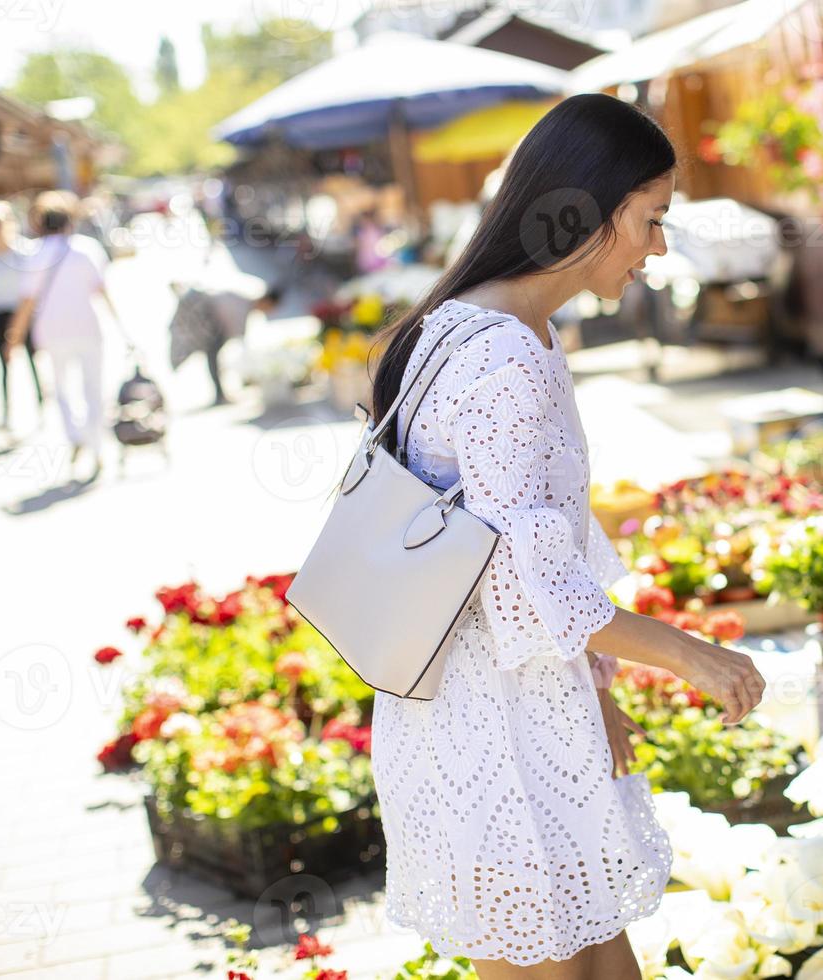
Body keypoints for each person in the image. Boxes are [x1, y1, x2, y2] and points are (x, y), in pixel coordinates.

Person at [365, 94, 767, 979]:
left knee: (594, 960)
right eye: (652, 220)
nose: (659, 249)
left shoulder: (474, 324)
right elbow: (526, 583)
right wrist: (697, 657)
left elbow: (503, 550)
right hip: (488, 726)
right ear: (587, 210)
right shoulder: (506, 355)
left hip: (499, 707)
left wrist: (593, 691)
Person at [5, 190, 123, 480]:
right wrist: (120, 326)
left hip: (52, 332)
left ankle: (76, 436)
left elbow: (27, 302)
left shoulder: (35, 255)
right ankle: (96, 446)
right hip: (87, 328)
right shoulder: (86, 249)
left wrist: (14, 337)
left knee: (61, 389)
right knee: (92, 388)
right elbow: (102, 292)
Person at [0, 201, 43, 432]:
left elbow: (32, 289)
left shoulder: (24, 251)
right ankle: (7, 412)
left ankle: (41, 404)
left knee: (33, 360)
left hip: (22, 312)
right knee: (4, 366)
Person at [167, 282, 281, 405]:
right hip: (208, 325)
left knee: (214, 362)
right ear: (267, 302)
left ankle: (220, 394)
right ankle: (220, 395)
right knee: (213, 362)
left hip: (211, 328)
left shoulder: (243, 304)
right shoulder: (242, 303)